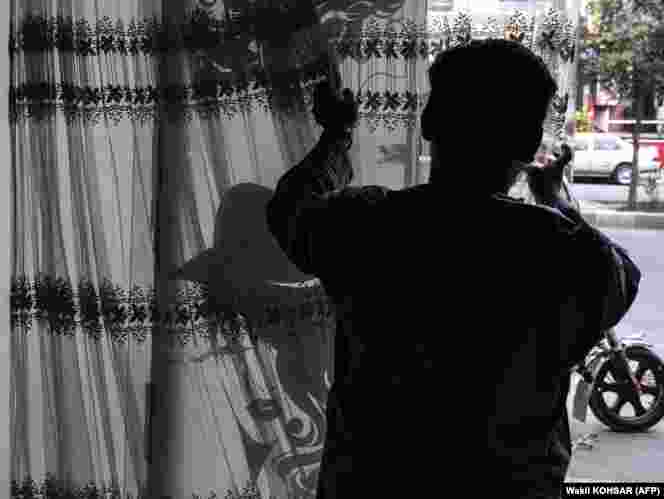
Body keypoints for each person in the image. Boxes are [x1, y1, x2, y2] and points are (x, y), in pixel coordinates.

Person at [264, 39, 641, 498]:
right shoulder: (558, 249)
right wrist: (554, 199)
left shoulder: (368, 226)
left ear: (428, 123)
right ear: (526, 143)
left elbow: (290, 210)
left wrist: (337, 134)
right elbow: (621, 276)